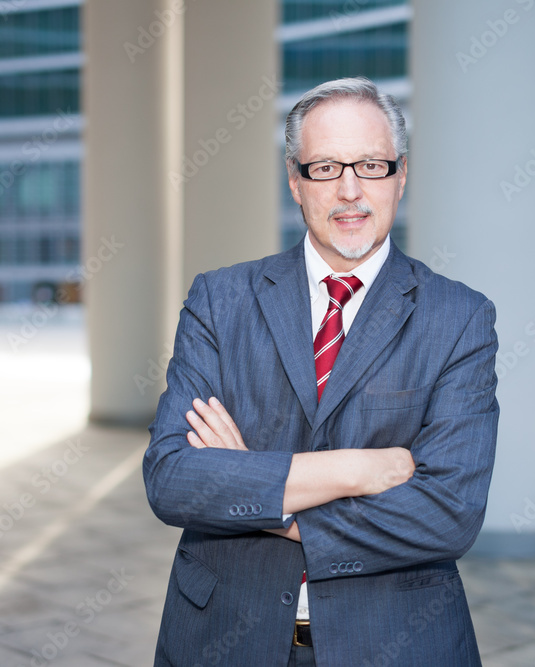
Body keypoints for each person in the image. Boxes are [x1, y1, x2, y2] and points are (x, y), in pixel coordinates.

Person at [143, 76, 499, 667]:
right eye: (327, 167)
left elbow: (448, 513)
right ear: (295, 181)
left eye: (371, 166)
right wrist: (361, 468)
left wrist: (254, 489)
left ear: (401, 175)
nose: (351, 191)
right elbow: (174, 478)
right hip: (224, 637)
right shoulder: (220, 299)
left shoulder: (460, 317)